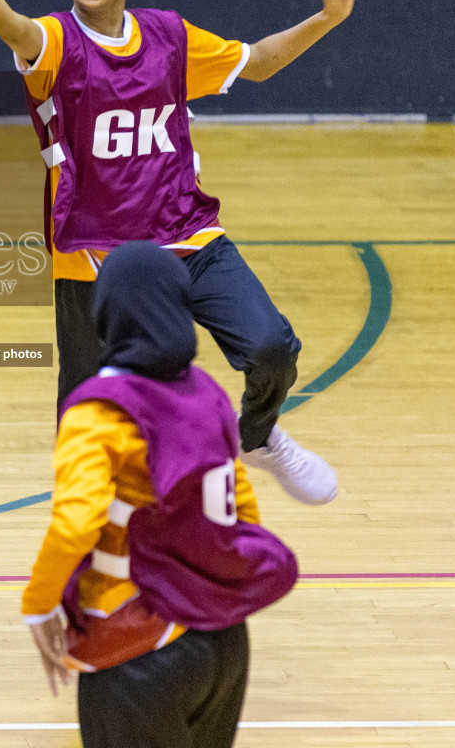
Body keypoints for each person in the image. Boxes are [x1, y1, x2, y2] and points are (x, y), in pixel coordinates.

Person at [0, 0, 366, 505]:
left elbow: (256, 64)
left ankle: (255, 438)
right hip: (96, 257)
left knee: (272, 347)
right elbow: (14, 27)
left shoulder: (169, 36)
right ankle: (83, 538)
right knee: (86, 416)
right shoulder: (53, 41)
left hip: (185, 234)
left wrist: (327, 18)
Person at [22, 242, 299, 748]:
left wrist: (39, 604)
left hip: (140, 647)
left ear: (106, 312)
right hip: (225, 641)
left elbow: (76, 522)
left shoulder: (99, 411)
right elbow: (244, 512)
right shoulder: (208, 392)